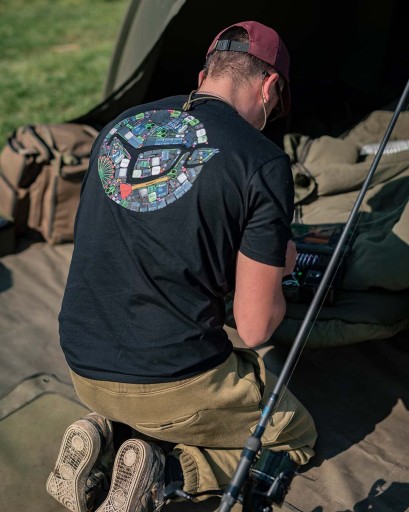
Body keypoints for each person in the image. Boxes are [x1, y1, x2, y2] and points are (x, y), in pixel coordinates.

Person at [46, 20, 317, 512]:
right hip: (170, 382)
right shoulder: (262, 161)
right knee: (296, 434)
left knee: (151, 394)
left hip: (82, 366)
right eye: (276, 105)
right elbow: (255, 327)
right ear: (270, 86)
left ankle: (104, 434)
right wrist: (276, 265)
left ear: (204, 76)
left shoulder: (120, 126)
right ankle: (167, 471)